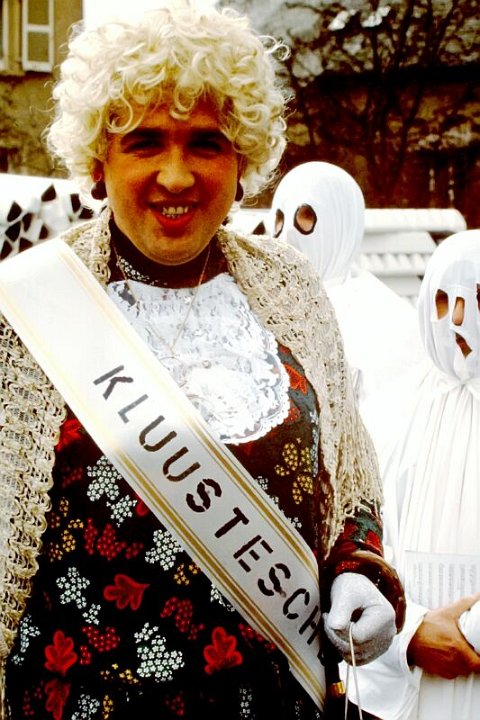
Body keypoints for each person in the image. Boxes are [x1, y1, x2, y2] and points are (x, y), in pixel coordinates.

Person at [0, 5, 405, 719]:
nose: (176, 175)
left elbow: (348, 475)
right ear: (98, 160)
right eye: (145, 142)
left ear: (242, 160)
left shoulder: (292, 290)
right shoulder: (23, 309)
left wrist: (358, 570)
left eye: (206, 144)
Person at [345, 229, 480, 719]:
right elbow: (357, 543)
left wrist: (470, 633)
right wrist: (412, 632)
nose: (457, 320)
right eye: (443, 300)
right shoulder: (392, 412)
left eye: (477, 298)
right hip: (411, 680)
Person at [267, 160, 425, 411]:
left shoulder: (389, 326)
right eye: (279, 219)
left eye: (305, 216)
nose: (287, 235)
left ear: (341, 224)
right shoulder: (257, 305)